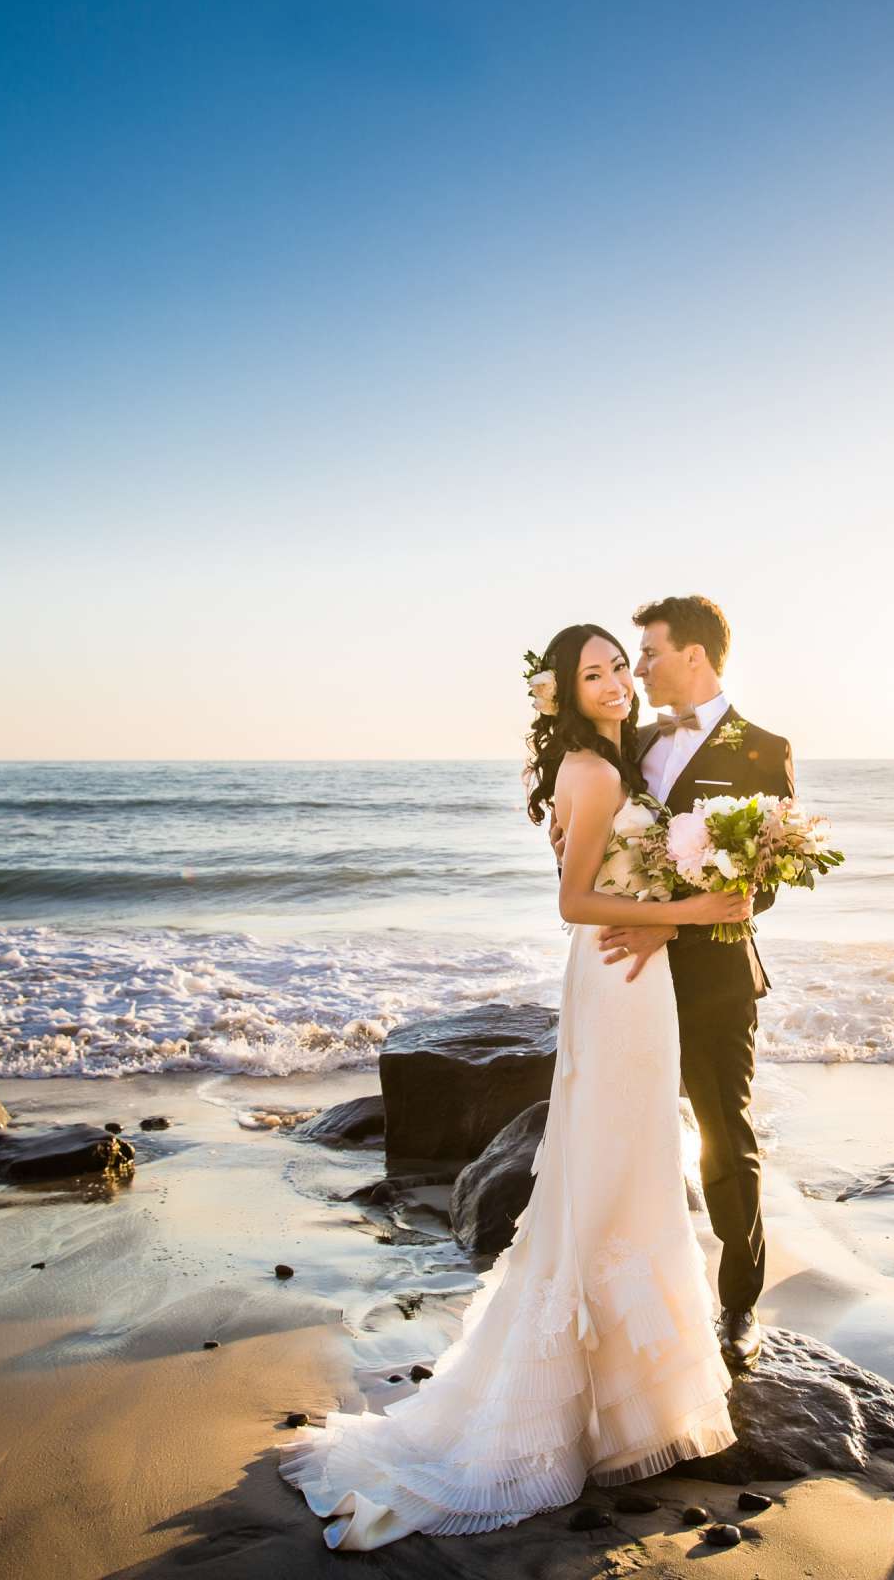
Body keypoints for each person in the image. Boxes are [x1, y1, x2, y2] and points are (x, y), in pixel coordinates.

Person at [275, 621, 751, 1550]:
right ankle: (588, 1414)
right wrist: (690, 909)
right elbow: (573, 904)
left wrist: (672, 916)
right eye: (594, 673)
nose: (615, 682)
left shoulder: (617, 761)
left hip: (631, 979)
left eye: (620, 666)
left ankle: (629, 1406)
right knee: (611, 1167)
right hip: (615, 983)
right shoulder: (599, 772)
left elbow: (616, 885)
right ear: (564, 693)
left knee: (626, 1166)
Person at [588, 595, 794, 1370]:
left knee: (722, 1136)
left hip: (713, 977)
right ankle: (621, 1297)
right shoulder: (630, 743)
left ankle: (738, 1305)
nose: (637, 668)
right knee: (621, 1133)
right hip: (627, 974)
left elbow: (762, 886)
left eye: (649, 652)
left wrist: (668, 924)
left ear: (696, 657)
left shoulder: (762, 749)